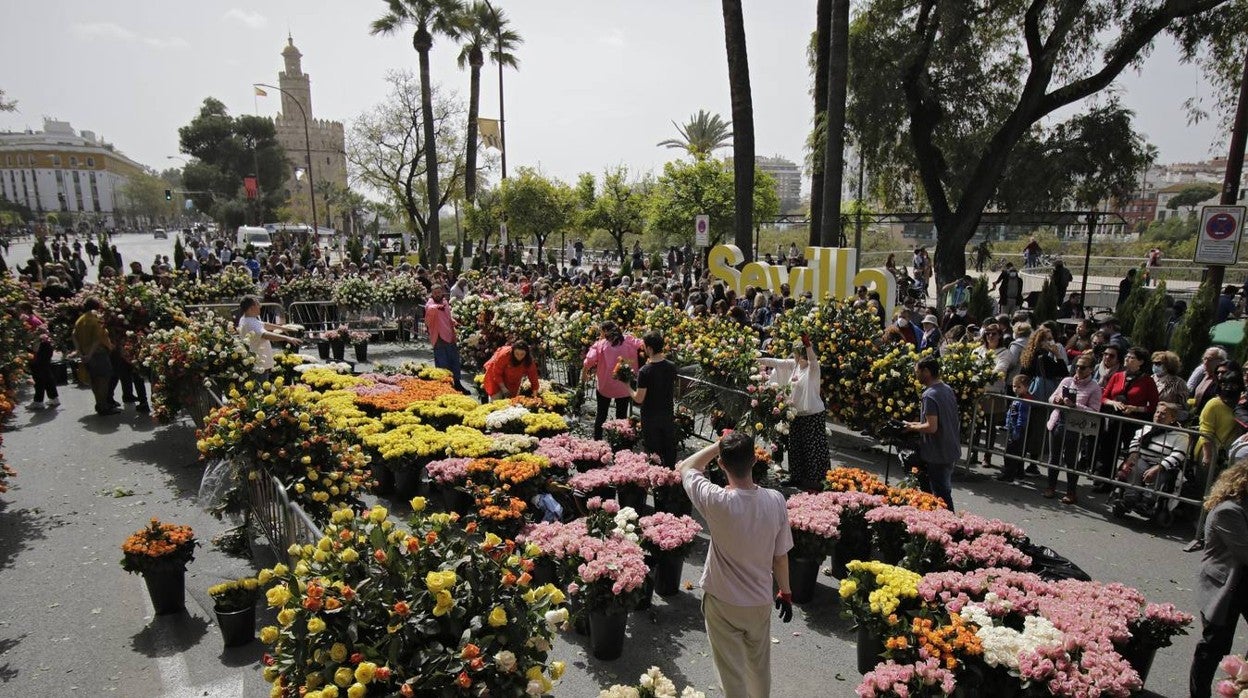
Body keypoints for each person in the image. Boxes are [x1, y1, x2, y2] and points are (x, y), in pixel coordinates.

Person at [679, 431, 793, 698]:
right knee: (759, 667)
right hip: (759, 600)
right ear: (754, 460)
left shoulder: (716, 500)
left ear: (721, 464)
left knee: (731, 674)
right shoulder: (775, 501)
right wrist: (785, 592)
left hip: (723, 600)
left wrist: (719, 445)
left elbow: (687, 467)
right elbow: (780, 556)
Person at [1187, 459, 1248, 698]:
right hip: (1224, 586)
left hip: (1242, 581)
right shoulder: (1229, 511)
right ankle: (1199, 694)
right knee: (1214, 646)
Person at [1185, 377, 1247, 553]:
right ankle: (1200, 528)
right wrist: (1207, 454)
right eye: (1225, 385)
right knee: (1206, 490)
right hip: (1208, 452)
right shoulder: (1214, 403)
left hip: (1227, 457)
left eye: (1233, 385)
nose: (1229, 388)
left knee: (1219, 492)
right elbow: (1206, 429)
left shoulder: (1238, 406)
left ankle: (1208, 530)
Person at [759, 335, 828, 490]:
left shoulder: (813, 368)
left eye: (796, 353)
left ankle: (814, 481)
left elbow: (812, 359)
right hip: (796, 413)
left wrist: (808, 345)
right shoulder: (796, 365)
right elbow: (776, 362)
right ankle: (796, 477)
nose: (793, 356)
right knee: (795, 446)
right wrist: (756, 358)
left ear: (800, 354)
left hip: (812, 414)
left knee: (812, 447)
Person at [1093, 346, 1159, 491]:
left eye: (1131, 358)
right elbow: (1103, 397)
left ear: (1140, 362)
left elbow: (1153, 406)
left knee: (1131, 453)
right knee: (1108, 450)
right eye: (1126, 357)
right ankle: (1104, 481)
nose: (1127, 359)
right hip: (1115, 419)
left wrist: (1136, 408)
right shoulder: (1118, 376)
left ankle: (1126, 485)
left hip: (1134, 422)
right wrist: (1113, 402)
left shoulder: (1147, 381)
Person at [904, 356, 961, 510]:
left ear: (927, 371)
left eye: (918, 372)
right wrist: (914, 424)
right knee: (943, 490)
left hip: (938, 452)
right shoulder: (946, 389)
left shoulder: (929, 395)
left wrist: (912, 428)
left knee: (941, 495)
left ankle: (950, 526)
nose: (916, 375)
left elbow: (931, 427)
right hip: (950, 448)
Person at [1044, 354, 1103, 505]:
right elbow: (1051, 397)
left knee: (1071, 460)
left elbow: (1095, 411)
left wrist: (1074, 405)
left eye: (1083, 367)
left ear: (1091, 370)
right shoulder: (1067, 380)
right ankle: (1051, 487)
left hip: (1075, 427)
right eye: (1077, 366)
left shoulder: (1094, 387)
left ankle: (1071, 492)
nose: (1078, 370)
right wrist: (1056, 400)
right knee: (1054, 457)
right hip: (1057, 422)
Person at [1112, 402, 1189, 510]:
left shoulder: (1181, 435)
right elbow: (1135, 442)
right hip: (1143, 459)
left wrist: (1158, 467)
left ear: (1172, 418)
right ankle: (1129, 499)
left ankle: (1147, 501)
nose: (1158, 415)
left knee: (1158, 475)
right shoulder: (1147, 427)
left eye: (1163, 414)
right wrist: (1133, 455)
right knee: (1135, 468)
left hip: (1163, 465)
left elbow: (1178, 455)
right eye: (1157, 412)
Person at [582, 321, 644, 440]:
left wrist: (584, 373)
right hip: (624, 385)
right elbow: (642, 344)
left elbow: (589, 360)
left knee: (601, 414)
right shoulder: (629, 340)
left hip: (605, 385)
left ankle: (597, 440)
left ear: (605, 332)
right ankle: (620, 441)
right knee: (621, 416)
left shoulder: (601, 345)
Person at [630, 331, 678, 467]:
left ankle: (656, 481)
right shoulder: (671, 366)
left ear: (649, 348)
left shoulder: (645, 371)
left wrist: (627, 387)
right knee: (669, 448)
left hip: (650, 415)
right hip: (667, 412)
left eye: (644, 346)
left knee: (653, 451)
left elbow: (639, 398)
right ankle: (670, 479)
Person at [73, 297, 117, 416]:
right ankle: (103, 406)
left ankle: (99, 404)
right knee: (103, 380)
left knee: (94, 380)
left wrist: (80, 352)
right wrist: (91, 353)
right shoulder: (95, 319)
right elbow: (98, 339)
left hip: (86, 354)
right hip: (98, 354)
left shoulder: (80, 320)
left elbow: (74, 336)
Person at [236, 296, 299, 376]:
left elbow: (264, 325)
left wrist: (282, 328)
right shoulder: (251, 323)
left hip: (256, 362)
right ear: (251, 308)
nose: (260, 306)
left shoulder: (245, 318)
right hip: (259, 365)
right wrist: (287, 338)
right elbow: (265, 334)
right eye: (258, 304)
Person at [424, 285, 469, 394]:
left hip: (450, 336)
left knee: (455, 361)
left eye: (439, 292)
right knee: (442, 364)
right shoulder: (430, 304)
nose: (437, 294)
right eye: (435, 293)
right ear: (431, 294)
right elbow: (429, 313)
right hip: (439, 338)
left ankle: (457, 384)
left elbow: (447, 317)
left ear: (442, 292)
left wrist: (453, 321)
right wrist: (437, 307)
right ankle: (445, 387)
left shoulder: (445, 302)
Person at [998, 374, 1039, 482]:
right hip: (1013, 428)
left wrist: (1018, 429)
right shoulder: (1017, 398)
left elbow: (1022, 416)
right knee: (1017, 452)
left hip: (1019, 429)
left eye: (1018, 387)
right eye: (1014, 386)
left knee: (1011, 453)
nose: (1015, 389)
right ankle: (1019, 473)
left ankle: (1009, 474)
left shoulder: (1024, 400)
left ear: (1026, 387)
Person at [18, 301, 59, 410]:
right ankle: (52, 398)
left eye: (19, 310)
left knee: (39, 375)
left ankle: (39, 400)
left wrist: (32, 352)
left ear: (25, 310)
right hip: (42, 349)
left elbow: (36, 339)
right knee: (44, 374)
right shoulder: (32, 319)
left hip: (40, 350)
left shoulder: (31, 321)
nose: (18, 313)